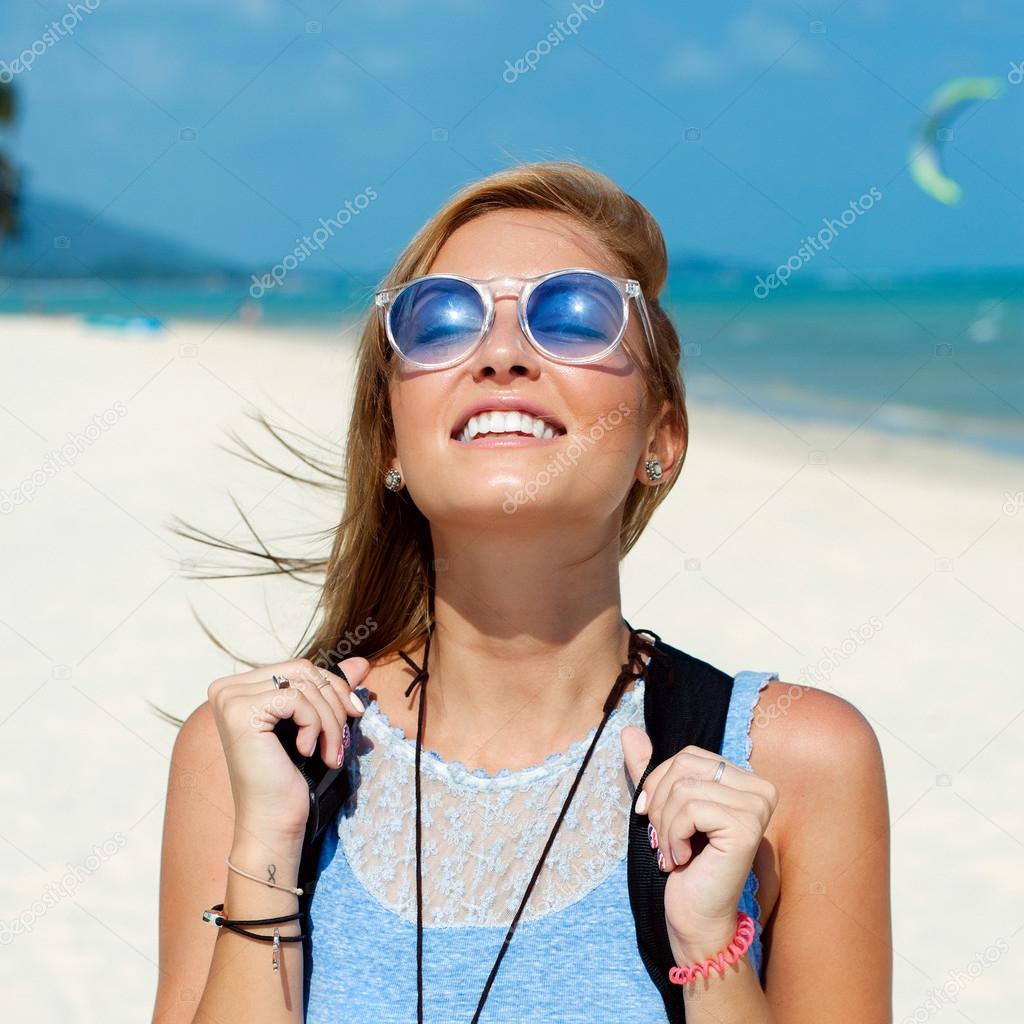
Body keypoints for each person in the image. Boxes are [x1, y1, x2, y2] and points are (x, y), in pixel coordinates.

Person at [151, 161, 892, 1024]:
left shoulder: (794, 760)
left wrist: (709, 948)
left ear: (663, 436)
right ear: (392, 438)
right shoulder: (250, 756)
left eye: (574, 315)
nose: (501, 355)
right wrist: (269, 856)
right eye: (442, 322)